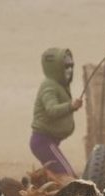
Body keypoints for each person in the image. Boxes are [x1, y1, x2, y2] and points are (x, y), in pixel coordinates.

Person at [30, 48, 82, 178]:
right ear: (56, 68)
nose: (70, 70)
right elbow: (52, 110)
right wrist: (70, 106)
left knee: (57, 178)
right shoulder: (49, 86)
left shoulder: (59, 85)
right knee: (68, 176)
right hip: (44, 141)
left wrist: (72, 107)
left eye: (71, 66)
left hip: (47, 141)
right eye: (65, 66)